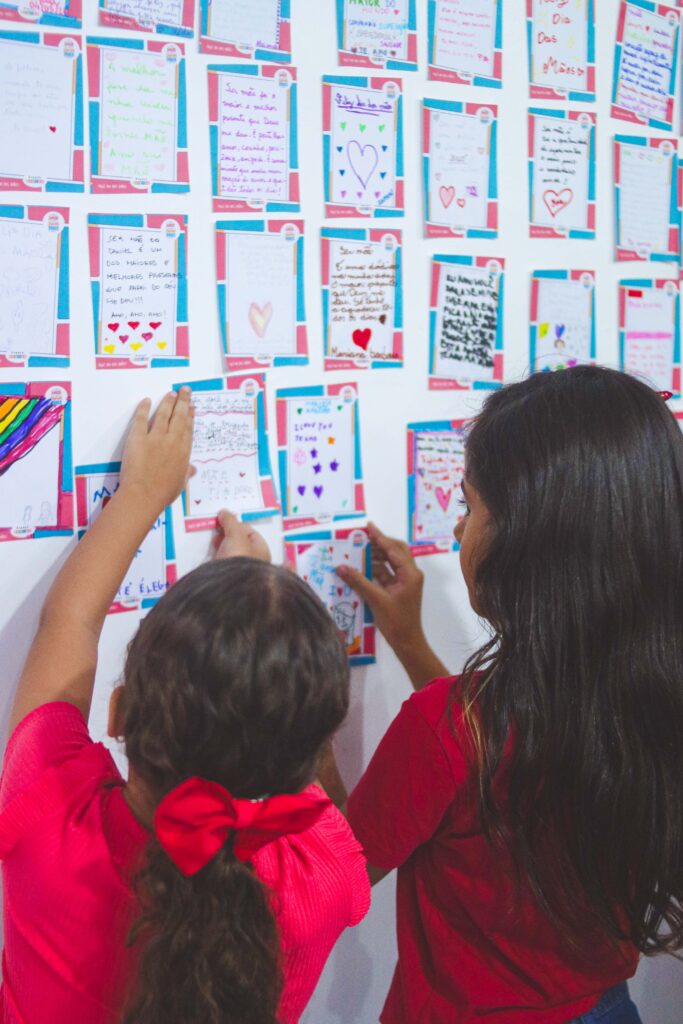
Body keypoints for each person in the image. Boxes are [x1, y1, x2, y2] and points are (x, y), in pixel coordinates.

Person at [323, 366, 683, 1023]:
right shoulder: (648, 695)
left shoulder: (445, 727)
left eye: (469, 507)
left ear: (527, 540)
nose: (457, 533)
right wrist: (409, 641)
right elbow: (500, 749)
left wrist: (312, 734)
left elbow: (336, 876)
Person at [0, 389, 369, 1024]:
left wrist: (142, 493)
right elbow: (287, 744)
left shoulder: (51, 813)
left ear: (118, 713)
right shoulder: (324, 879)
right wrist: (253, 632)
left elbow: (70, 622)